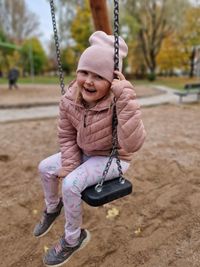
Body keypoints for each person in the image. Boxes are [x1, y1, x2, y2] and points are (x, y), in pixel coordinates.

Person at [33, 31, 146, 266]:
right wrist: (71, 164)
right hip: (86, 152)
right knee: (45, 167)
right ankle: (53, 208)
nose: (88, 80)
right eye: (84, 72)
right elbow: (66, 134)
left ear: (113, 80)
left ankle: (73, 239)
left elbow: (134, 144)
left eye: (98, 76)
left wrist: (125, 99)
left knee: (71, 184)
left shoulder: (119, 102)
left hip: (113, 158)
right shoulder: (70, 99)